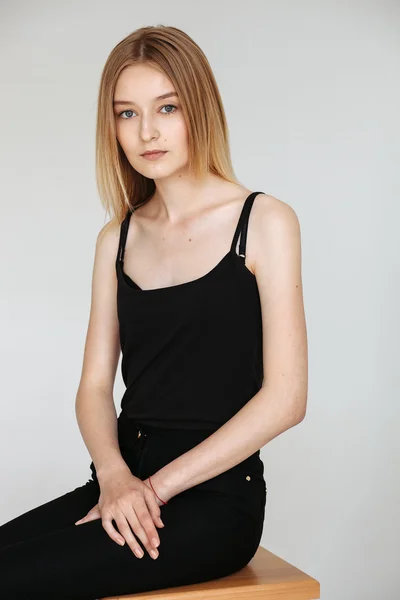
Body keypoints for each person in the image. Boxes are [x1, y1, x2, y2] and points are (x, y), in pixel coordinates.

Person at [0, 25, 308, 600]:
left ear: (198, 108)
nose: (146, 132)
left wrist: (156, 490)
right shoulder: (116, 238)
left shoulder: (264, 222)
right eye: (126, 114)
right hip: (122, 482)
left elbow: (286, 399)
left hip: (213, 502)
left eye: (166, 107)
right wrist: (117, 479)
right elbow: (93, 388)